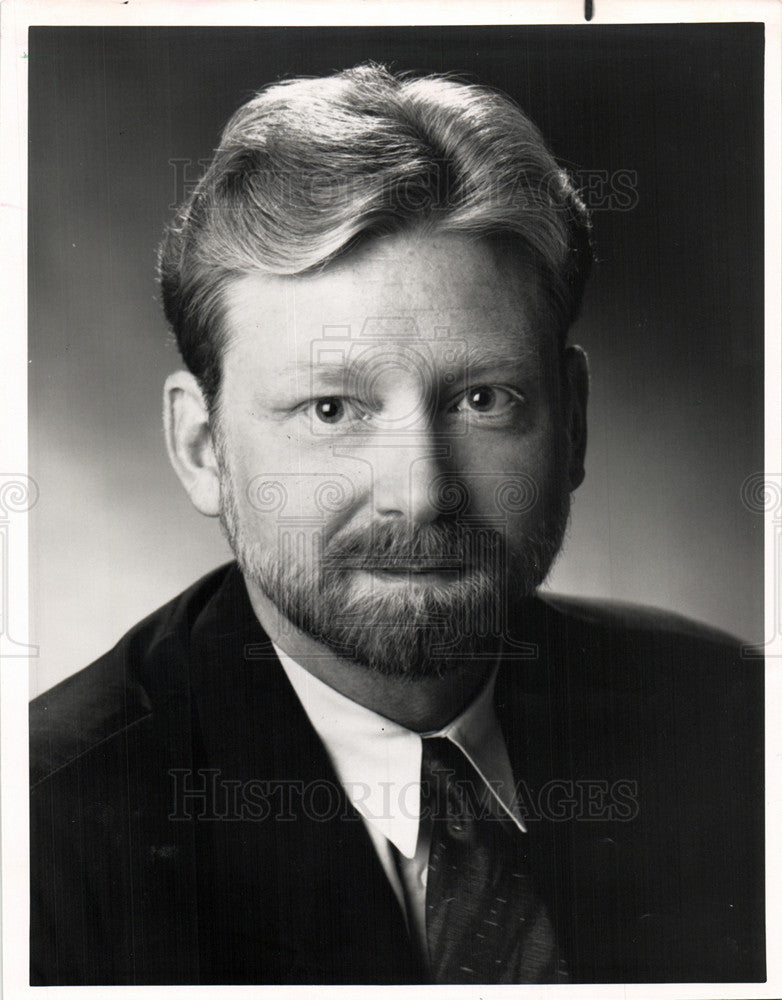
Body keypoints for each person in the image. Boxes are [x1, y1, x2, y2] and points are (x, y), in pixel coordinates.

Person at [29, 63, 764, 985]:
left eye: (483, 399)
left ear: (572, 422)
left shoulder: (734, 726)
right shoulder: (43, 846)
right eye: (333, 410)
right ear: (202, 449)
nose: (420, 494)